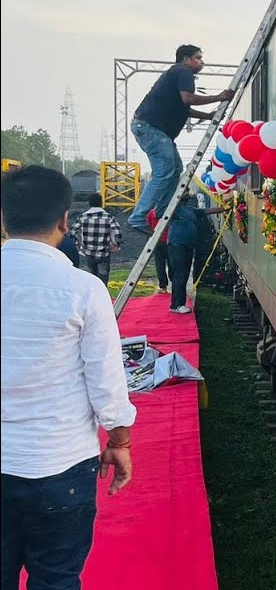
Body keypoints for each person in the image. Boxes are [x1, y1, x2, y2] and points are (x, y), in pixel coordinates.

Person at [1, 165, 137, 589]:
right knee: (56, 578)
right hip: (60, 466)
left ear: (2, 218)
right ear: (64, 221)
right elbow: (106, 380)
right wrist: (119, 441)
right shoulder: (83, 288)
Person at [125, 44, 232, 233]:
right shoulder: (183, 72)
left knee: (176, 169)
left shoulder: (176, 74)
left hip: (152, 128)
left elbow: (184, 107)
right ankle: (138, 217)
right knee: (164, 171)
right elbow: (187, 99)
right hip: (152, 128)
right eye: (198, 58)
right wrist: (219, 97)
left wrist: (207, 116)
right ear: (186, 59)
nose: (202, 62)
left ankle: (163, 210)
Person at [166, 190, 227, 314]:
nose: (188, 193)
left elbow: (207, 211)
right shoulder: (174, 208)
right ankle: (177, 304)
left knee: (183, 274)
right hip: (177, 245)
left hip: (188, 246)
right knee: (180, 274)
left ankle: (178, 304)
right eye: (186, 191)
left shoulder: (191, 210)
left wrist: (225, 208)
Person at [70, 193, 123, 285]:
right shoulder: (108, 217)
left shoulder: (83, 217)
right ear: (101, 203)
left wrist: (77, 244)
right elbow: (117, 232)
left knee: (92, 277)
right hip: (103, 252)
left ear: (89, 203)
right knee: (103, 277)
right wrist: (116, 245)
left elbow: (72, 232)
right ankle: (103, 295)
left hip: (88, 252)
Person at [146, 208, 170, 293]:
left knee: (160, 264)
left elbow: (149, 226)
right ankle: (175, 284)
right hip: (170, 241)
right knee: (172, 264)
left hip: (157, 241)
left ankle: (163, 287)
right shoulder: (171, 211)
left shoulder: (152, 212)